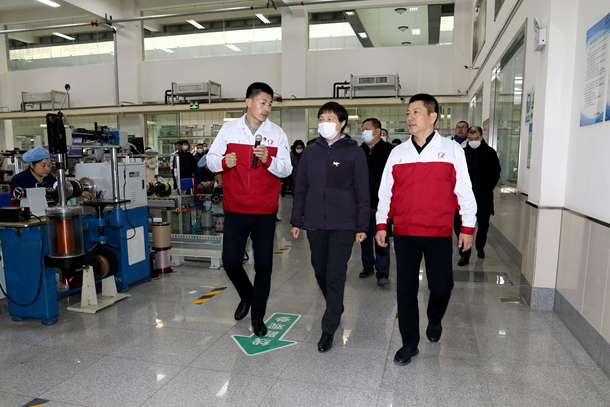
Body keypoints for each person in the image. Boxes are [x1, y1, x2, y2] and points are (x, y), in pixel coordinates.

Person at [375, 94, 476, 366]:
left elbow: (464, 191)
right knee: (405, 289)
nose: (410, 117)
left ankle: (434, 318)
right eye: (408, 112)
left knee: (441, 286)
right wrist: (382, 224)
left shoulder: (452, 150)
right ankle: (409, 343)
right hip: (405, 233)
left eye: (416, 112)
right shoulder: (398, 153)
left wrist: (467, 228)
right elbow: (386, 193)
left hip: (438, 232)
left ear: (432, 117)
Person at [207, 82, 292, 337]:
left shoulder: (276, 133)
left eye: (270, 104)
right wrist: (224, 161)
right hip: (236, 208)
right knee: (231, 262)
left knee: (264, 266)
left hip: (265, 211)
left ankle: (258, 317)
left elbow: (286, 169)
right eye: (262, 102)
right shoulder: (229, 130)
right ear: (248, 102)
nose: (266, 108)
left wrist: (269, 159)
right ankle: (247, 295)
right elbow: (210, 161)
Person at [291, 102, 369, 352]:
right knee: (319, 269)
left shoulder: (354, 152)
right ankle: (336, 304)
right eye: (321, 118)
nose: (324, 122)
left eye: (330, 118)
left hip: (343, 223)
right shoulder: (310, 152)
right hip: (315, 222)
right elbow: (300, 188)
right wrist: (296, 220)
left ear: (342, 123)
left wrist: (362, 225)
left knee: (335, 273)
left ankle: (329, 326)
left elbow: (362, 191)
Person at [454, 126, 501, 264]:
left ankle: (480, 247)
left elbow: (496, 171)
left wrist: (489, 186)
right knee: (463, 226)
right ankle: (464, 254)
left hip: (484, 197)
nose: (473, 141)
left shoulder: (490, 153)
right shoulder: (462, 153)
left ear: (481, 137)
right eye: (470, 138)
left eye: (476, 138)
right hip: (466, 197)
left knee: (483, 224)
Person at [358, 118, 393, 286]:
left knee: (382, 236)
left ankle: (383, 272)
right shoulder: (359, 151)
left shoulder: (389, 151)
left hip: (382, 204)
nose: (363, 132)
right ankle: (367, 266)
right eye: (362, 129)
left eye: (367, 129)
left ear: (378, 131)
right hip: (363, 203)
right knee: (364, 236)